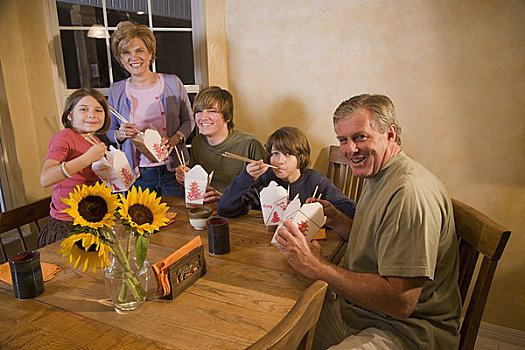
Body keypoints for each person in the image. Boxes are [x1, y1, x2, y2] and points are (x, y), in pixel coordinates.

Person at [275, 94, 461, 349]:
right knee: (279, 322)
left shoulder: (408, 192)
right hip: (362, 311)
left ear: (391, 134)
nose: (349, 149)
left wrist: (316, 265)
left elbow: (400, 301)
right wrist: (340, 221)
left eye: (360, 137)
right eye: (343, 139)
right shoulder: (380, 174)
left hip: (404, 331)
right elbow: (383, 243)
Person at [106, 21, 194, 196]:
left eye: (139, 50)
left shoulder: (172, 82)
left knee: (179, 220)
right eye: (126, 52)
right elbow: (110, 129)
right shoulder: (116, 90)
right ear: (120, 58)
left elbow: (189, 120)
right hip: (138, 174)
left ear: (150, 53)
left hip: (174, 171)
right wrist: (120, 134)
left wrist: (176, 138)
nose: (134, 57)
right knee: (143, 220)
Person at [217, 126, 356, 220]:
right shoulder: (265, 180)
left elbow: (350, 210)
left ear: (300, 156)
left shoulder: (315, 181)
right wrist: (246, 177)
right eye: (275, 153)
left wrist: (307, 211)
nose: (280, 161)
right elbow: (225, 209)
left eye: (288, 154)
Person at [38, 88, 109, 248]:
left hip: (92, 222)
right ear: (69, 115)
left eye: (99, 110)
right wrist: (87, 158)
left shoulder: (94, 141)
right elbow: (46, 178)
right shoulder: (64, 137)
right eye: (83, 109)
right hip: (67, 227)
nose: (92, 115)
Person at [175, 86, 266, 204]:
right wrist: (185, 180)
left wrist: (225, 199)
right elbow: (197, 186)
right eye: (199, 111)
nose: (203, 117)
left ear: (228, 117)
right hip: (207, 208)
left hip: (240, 212)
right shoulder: (197, 142)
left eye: (212, 111)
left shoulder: (250, 144)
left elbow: (264, 192)